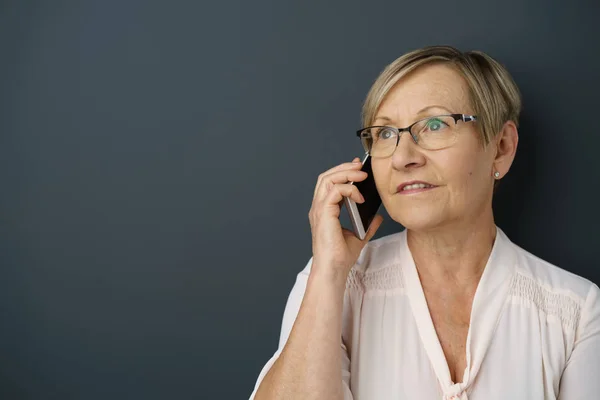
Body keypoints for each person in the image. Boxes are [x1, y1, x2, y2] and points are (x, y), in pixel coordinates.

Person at [249, 46, 600, 400]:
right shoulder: (333, 285)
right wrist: (330, 272)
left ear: (502, 147)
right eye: (385, 134)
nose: (403, 157)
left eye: (434, 125)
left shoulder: (574, 312)